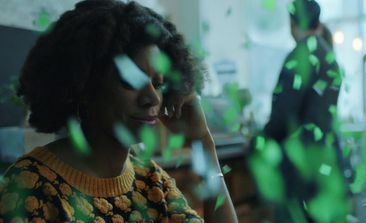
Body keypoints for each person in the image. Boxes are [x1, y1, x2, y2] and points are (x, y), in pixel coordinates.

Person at [0, 0, 238, 222]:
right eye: (132, 81)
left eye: (158, 84)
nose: (152, 98)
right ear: (83, 85)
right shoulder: (30, 187)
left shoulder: (153, 182)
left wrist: (204, 143)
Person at [254, 0, 343, 221]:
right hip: (324, 160)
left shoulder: (300, 57)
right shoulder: (328, 57)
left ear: (292, 21)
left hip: (299, 165)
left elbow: (283, 117)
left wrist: (260, 138)